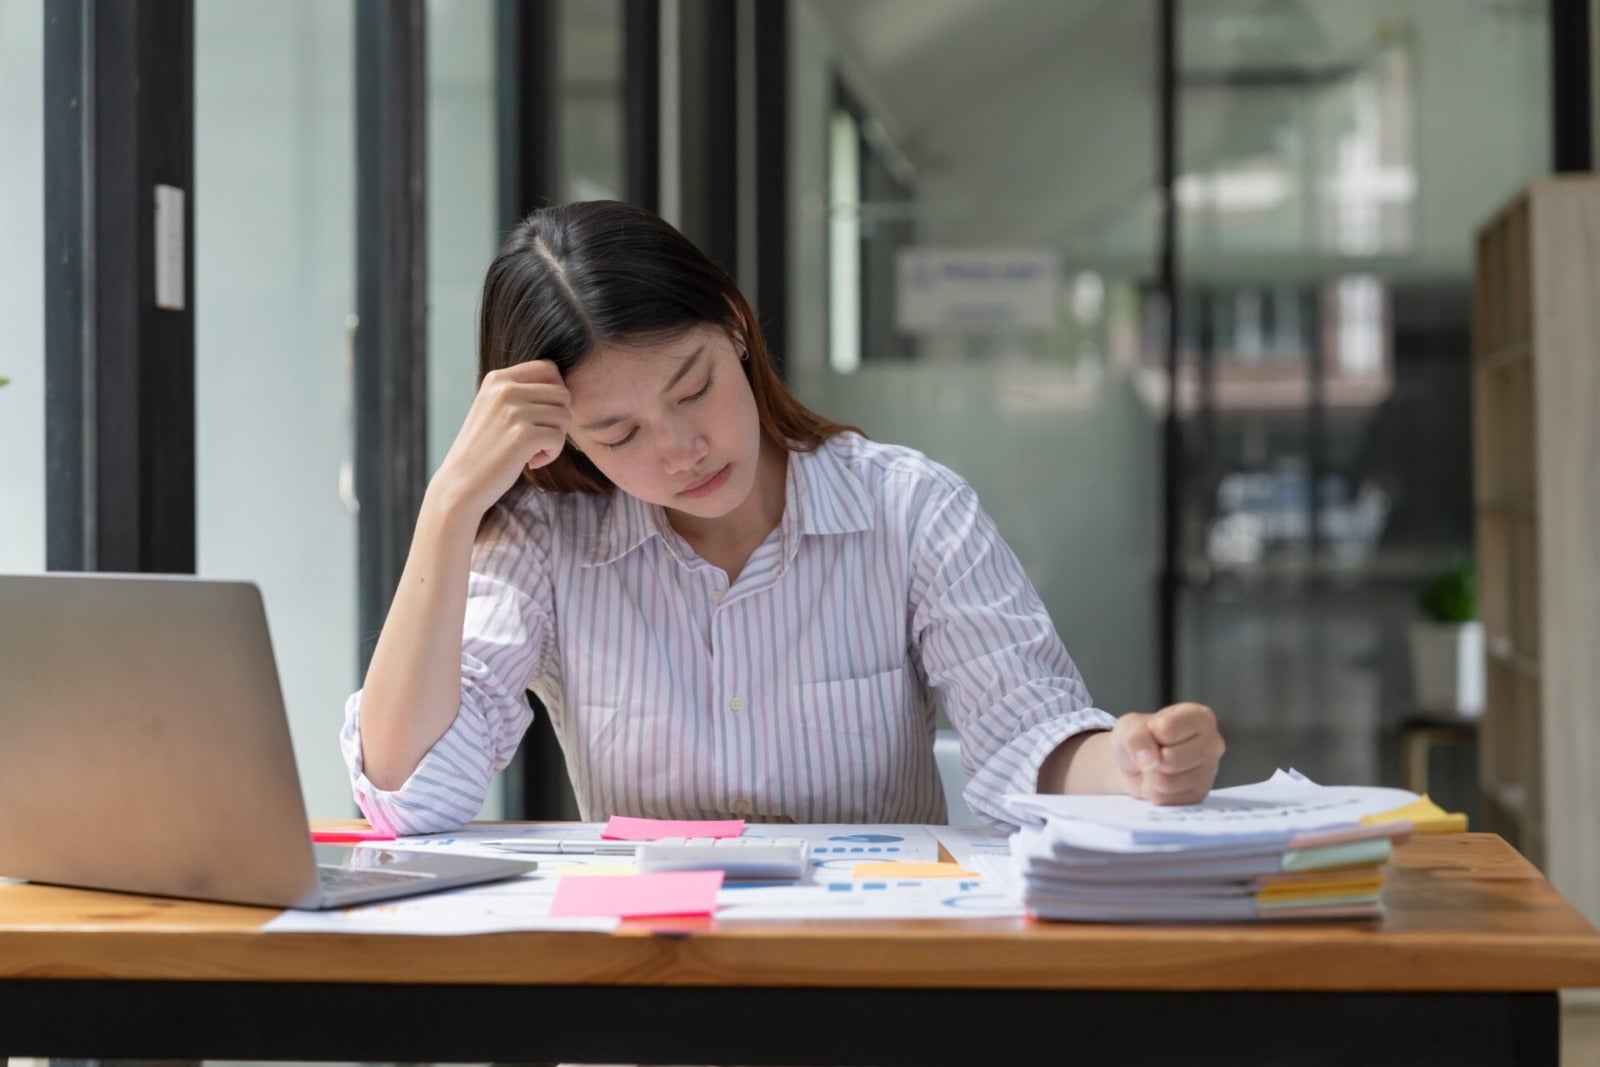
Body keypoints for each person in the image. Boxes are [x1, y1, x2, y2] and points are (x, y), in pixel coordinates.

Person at [340, 200, 1225, 835]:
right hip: (655, 996)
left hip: (866, 993)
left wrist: (1135, 762)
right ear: (559, 436)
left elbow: (1027, 743)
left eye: (694, 388)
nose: (682, 446)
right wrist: (451, 504)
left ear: (735, 328)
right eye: (618, 433)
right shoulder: (548, 541)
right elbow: (409, 793)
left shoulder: (908, 509)